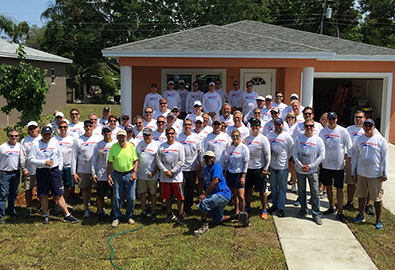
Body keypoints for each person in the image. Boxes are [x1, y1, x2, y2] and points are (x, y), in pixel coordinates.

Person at [28, 126, 79, 225]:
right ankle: (46, 215)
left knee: (59, 194)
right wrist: (43, 162)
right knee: (44, 194)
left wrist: (58, 169)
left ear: (51, 134)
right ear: (41, 134)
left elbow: (60, 157)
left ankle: (67, 215)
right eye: (45, 134)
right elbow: (30, 159)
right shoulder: (35, 145)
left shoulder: (55, 143)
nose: (47, 136)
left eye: (49, 134)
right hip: (42, 171)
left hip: (54, 171)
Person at [194, 151, 248, 236]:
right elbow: (205, 183)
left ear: (214, 159)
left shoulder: (217, 167)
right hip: (216, 195)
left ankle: (204, 225)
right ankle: (238, 216)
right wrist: (203, 192)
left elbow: (215, 181)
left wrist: (205, 195)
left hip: (222, 194)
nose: (208, 160)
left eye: (210, 157)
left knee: (203, 203)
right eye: (206, 158)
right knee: (217, 220)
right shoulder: (205, 169)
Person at [351, 119, 388, 229]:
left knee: (377, 198)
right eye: (366, 125)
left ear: (373, 127)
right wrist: (354, 172)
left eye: (369, 126)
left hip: (375, 175)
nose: (367, 128)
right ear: (363, 127)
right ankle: (361, 214)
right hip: (361, 173)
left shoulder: (380, 140)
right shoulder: (359, 140)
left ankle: (378, 219)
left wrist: (384, 173)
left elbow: (385, 158)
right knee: (361, 195)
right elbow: (355, 156)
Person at [319, 112, 352, 223]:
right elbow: (319, 147)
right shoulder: (323, 132)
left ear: (337, 119)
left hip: (338, 166)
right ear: (327, 119)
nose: (332, 121)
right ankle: (332, 206)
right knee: (328, 187)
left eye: (334, 119)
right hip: (326, 165)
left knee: (339, 189)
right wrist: (319, 163)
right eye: (330, 119)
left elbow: (350, 147)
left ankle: (340, 211)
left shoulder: (343, 131)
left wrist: (347, 163)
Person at [345, 111, 380, 213]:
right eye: (356, 117)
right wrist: (346, 158)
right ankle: (350, 202)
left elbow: (380, 142)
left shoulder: (370, 129)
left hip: (366, 163)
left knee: (367, 184)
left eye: (360, 117)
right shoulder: (349, 129)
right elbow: (343, 142)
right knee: (351, 182)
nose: (358, 119)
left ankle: (368, 205)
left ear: (364, 118)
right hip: (352, 159)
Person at [293, 118, 325, 225]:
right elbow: (295, 154)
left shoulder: (318, 140)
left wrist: (311, 166)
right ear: (304, 127)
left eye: (311, 126)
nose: (309, 128)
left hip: (313, 171)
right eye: (307, 126)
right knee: (301, 191)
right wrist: (301, 165)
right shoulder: (299, 139)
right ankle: (303, 210)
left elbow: (322, 155)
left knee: (315, 192)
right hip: (300, 170)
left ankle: (316, 214)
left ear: (314, 127)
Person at [107, 129, 139, 228]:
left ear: (126, 137)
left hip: (129, 174)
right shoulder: (113, 147)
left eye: (123, 137)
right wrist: (108, 175)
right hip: (117, 174)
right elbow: (109, 162)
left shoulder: (131, 147)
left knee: (131, 197)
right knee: (116, 197)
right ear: (117, 137)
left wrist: (135, 172)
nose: (121, 139)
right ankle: (116, 217)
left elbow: (136, 160)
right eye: (119, 137)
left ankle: (129, 216)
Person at [71, 119, 100, 218]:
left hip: (96, 169)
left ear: (93, 127)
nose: (88, 128)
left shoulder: (98, 139)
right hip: (83, 169)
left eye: (90, 126)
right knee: (85, 190)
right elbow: (74, 157)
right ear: (84, 128)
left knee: (98, 189)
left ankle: (100, 208)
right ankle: (86, 209)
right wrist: (73, 172)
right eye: (86, 126)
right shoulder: (78, 140)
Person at [156, 127, 185, 225]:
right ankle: (169, 214)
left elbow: (182, 161)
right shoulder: (161, 147)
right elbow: (158, 160)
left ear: (175, 134)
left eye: (172, 133)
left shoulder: (179, 146)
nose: (170, 135)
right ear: (166, 135)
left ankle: (180, 216)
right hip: (165, 178)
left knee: (180, 198)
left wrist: (172, 171)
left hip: (177, 177)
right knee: (167, 198)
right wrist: (165, 171)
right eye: (168, 133)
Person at [266, 118, 294, 218]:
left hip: (283, 166)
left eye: (280, 124)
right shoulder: (269, 135)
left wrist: (286, 159)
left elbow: (291, 150)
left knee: (282, 187)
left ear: (282, 125)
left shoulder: (287, 137)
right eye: (276, 124)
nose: (278, 126)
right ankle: (274, 204)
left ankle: (281, 208)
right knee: (273, 186)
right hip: (272, 165)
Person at [244, 118, 271, 219]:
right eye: (253, 125)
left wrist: (265, 168)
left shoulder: (263, 139)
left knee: (262, 190)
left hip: (260, 168)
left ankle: (264, 209)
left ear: (259, 126)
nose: (254, 127)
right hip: (249, 168)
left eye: (256, 125)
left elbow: (268, 155)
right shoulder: (247, 139)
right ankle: (248, 206)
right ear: (250, 126)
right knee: (248, 189)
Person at [92, 126, 116, 224]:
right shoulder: (98, 145)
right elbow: (94, 160)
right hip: (101, 174)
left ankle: (114, 212)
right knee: (100, 195)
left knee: (114, 195)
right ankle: (101, 212)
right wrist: (93, 173)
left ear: (111, 132)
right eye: (104, 131)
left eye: (108, 131)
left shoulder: (115, 144)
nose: (106, 133)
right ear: (102, 133)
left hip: (113, 174)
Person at [177, 119, 202, 213]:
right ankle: (181, 208)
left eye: (189, 125)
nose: (187, 126)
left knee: (190, 189)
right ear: (183, 126)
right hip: (181, 168)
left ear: (192, 126)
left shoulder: (196, 138)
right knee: (181, 189)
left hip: (192, 167)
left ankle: (188, 207)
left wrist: (199, 164)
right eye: (185, 125)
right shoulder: (179, 137)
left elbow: (199, 152)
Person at [135, 128, 160, 221]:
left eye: (148, 135)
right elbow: (136, 158)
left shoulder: (156, 145)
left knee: (153, 194)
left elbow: (159, 161)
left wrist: (153, 172)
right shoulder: (139, 144)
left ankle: (153, 211)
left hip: (153, 175)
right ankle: (143, 211)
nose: (146, 137)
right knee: (142, 194)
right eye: (145, 135)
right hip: (141, 175)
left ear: (152, 135)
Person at [225, 129, 250, 214]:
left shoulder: (244, 148)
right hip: (231, 173)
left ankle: (243, 212)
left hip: (240, 174)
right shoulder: (230, 148)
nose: (235, 138)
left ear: (240, 136)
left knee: (241, 196)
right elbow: (228, 161)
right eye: (233, 136)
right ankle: (236, 211)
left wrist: (243, 176)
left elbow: (246, 162)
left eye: (237, 136)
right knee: (235, 195)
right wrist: (225, 172)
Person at [20, 121, 42, 217]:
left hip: (41, 169)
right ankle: (28, 207)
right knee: (28, 189)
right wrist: (24, 169)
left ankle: (42, 207)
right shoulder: (25, 141)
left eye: (34, 128)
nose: (33, 130)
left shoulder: (43, 138)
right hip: (29, 169)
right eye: (30, 128)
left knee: (41, 189)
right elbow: (22, 156)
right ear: (28, 129)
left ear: (38, 128)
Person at [0, 130, 21, 223]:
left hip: (16, 172)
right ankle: (1, 214)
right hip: (5, 173)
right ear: (9, 136)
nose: (14, 138)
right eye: (12, 136)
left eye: (16, 136)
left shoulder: (20, 146)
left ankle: (11, 210)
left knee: (13, 192)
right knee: (3, 194)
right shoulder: (3, 147)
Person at [54, 121, 76, 205]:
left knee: (67, 186)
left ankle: (65, 203)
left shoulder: (72, 139)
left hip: (68, 166)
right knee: (57, 186)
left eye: (65, 127)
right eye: (61, 127)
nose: (63, 129)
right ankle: (57, 203)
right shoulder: (54, 139)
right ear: (58, 128)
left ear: (67, 128)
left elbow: (74, 154)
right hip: (57, 167)